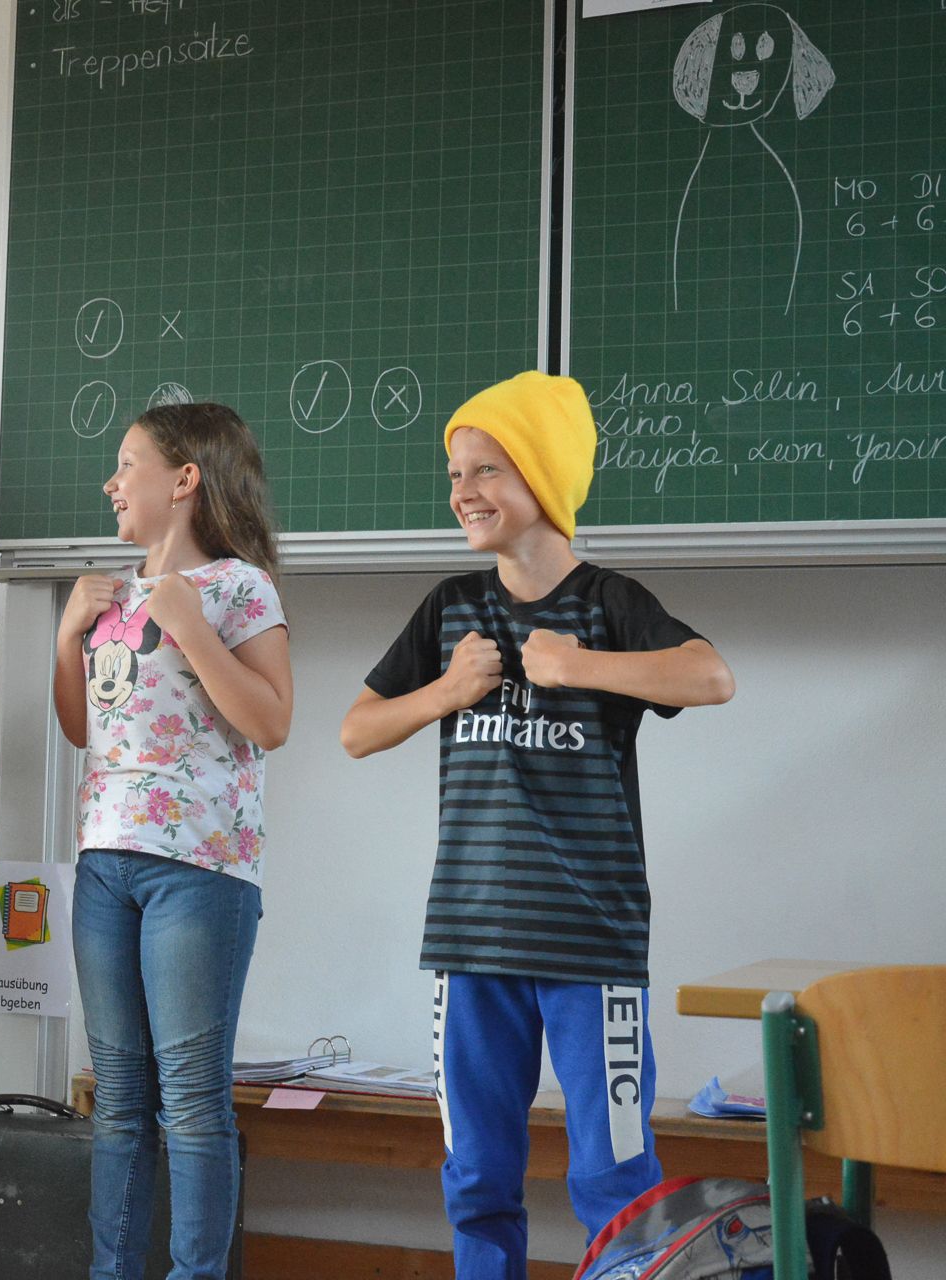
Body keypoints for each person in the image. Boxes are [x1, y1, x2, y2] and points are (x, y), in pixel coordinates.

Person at [338, 371, 735, 1280]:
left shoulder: (608, 603)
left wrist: (578, 665)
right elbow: (357, 730)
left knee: (615, 1178)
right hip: (470, 939)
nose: (462, 492)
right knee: (477, 1177)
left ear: (543, 477)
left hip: (592, 943)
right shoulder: (451, 605)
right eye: (455, 474)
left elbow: (710, 675)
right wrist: (447, 690)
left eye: (486, 469)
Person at [51, 403, 292, 1280]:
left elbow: (271, 720)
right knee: (118, 1097)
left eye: (128, 464)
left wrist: (188, 624)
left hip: (199, 868)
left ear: (185, 480)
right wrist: (67, 638)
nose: (111, 483)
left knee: (190, 1100)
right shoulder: (111, 596)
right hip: (105, 862)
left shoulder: (238, 587)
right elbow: (82, 728)